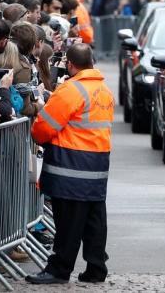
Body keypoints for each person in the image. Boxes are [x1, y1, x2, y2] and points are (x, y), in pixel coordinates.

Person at [27, 44, 114, 285]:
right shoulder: (104, 90)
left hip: (71, 164)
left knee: (68, 223)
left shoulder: (70, 90)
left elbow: (43, 129)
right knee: (94, 221)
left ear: (71, 65)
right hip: (97, 164)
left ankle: (59, 269)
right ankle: (96, 267)